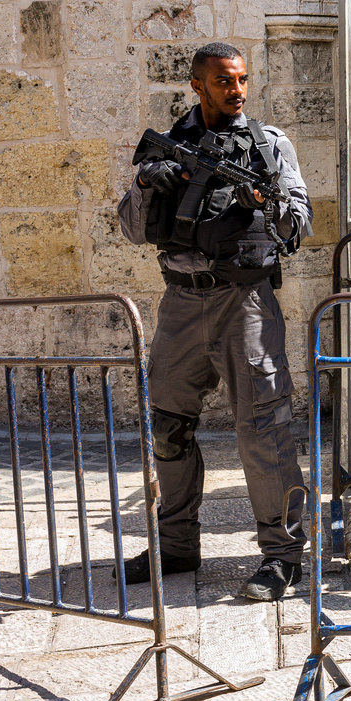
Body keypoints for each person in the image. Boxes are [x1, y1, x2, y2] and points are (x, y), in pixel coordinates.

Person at [116, 42, 313, 601]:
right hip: (179, 303)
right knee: (167, 426)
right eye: (225, 81)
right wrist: (147, 183)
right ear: (197, 85)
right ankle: (176, 545)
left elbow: (299, 224)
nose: (238, 90)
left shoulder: (269, 146)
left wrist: (267, 204)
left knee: (265, 429)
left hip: (245, 303)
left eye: (243, 80)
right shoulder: (170, 145)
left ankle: (282, 555)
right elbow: (131, 229)